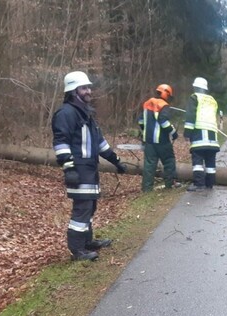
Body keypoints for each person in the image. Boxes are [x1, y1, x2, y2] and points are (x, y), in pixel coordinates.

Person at [52, 71, 127, 261]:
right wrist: (69, 168)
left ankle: (87, 242)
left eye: (88, 87)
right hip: (78, 169)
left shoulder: (85, 113)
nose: (88, 91)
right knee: (82, 208)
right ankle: (77, 250)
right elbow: (61, 142)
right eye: (84, 88)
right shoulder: (66, 113)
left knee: (90, 207)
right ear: (73, 90)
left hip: (90, 170)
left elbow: (99, 143)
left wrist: (115, 160)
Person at [138, 84, 178, 192]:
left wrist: (145, 131)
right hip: (161, 140)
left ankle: (147, 189)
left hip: (149, 140)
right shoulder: (163, 105)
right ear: (166, 94)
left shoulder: (147, 103)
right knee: (169, 161)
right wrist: (173, 133)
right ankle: (170, 184)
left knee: (149, 165)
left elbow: (141, 121)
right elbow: (164, 122)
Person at [184, 77, 221, 191]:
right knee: (210, 162)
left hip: (199, 134)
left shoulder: (194, 98)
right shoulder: (212, 100)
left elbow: (191, 116)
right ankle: (210, 184)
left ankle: (199, 184)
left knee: (198, 161)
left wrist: (187, 133)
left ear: (195, 87)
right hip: (213, 137)